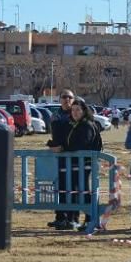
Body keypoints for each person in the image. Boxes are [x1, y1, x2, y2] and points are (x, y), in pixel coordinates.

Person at [61, 97, 103, 231]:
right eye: (73, 110)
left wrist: (63, 148)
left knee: (84, 191)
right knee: (78, 190)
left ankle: (91, 219)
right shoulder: (75, 125)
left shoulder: (87, 125)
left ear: (84, 111)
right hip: (76, 164)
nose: (74, 112)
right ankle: (75, 218)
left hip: (85, 164)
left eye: (78, 110)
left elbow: (81, 145)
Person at [46, 90, 76, 230]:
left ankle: (72, 218)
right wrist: (53, 145)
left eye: (69, 97)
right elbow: (56, 136)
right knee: (61, 187)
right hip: (60, 157)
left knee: (74, 187)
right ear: (60, 99)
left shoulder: (76, 114)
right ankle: (60, 217)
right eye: (64, 97)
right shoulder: (55, 116)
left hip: (75, 157)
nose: (67, 99)